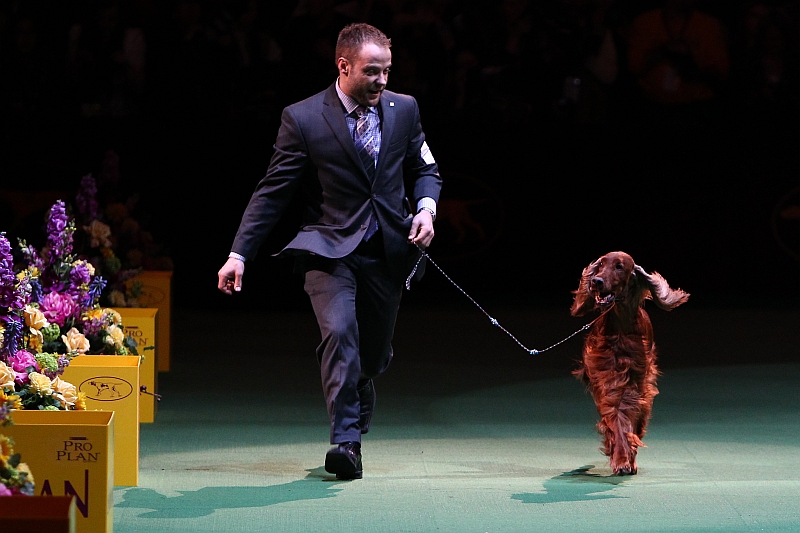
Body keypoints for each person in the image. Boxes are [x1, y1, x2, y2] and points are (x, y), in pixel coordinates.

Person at [216, 22, 442, 480]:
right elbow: (272, 192)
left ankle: (362, 380)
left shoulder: (405, 110)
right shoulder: (302, 118)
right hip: (327, 250)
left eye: (387, 71)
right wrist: (239, 253)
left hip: (388, 251)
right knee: (339, 334)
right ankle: (346, 443)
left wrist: (425, 209)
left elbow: (426, 170)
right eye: (372, 72)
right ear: (343, 66)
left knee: (372, 356)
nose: (382, 81)